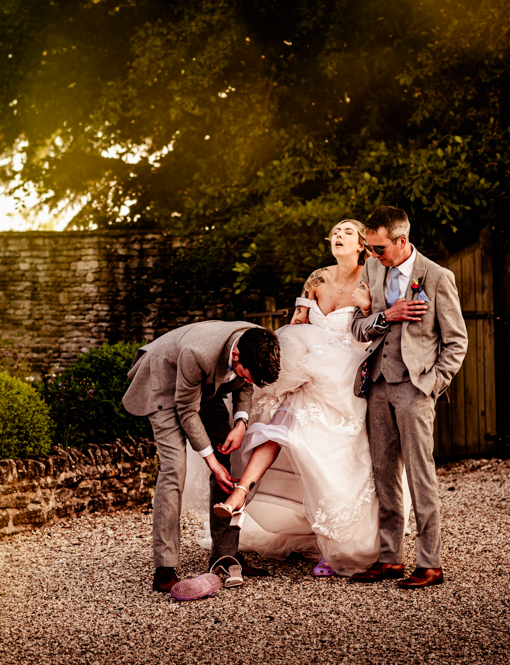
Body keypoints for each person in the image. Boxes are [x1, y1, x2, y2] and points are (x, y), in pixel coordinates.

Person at [196, 219, 409, 577]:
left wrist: (370, 306)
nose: (338, 237)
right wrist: (296, 340)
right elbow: (298, 326)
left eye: (346, 233)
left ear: (361, 244)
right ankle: (239, 494)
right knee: (277, 424)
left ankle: (336, 545)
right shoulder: (316, 278)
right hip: (308, 373)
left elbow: (378, 328)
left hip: (348, 378)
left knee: (332, 457)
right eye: (335, 232)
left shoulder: (374, 276)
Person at [349, 205, 468, 589]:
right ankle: (389, 560)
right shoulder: (371, 270)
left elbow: (456, 342)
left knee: (420, 476)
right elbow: (357, 326)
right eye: (369, 248)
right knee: (383, 474)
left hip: (415, 389)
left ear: (402, 241)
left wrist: (431, 384)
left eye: (379, 248)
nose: (372, 255)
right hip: (378, 385)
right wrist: (388, 316)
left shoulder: (436, 277)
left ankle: (429, 564)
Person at [122, 321, 281, 593]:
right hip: (164, 386)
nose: (249, 379)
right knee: (174, 468)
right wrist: (211, 462)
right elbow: (186, 411)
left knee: (228, 456)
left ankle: (224, 555)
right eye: (247, 372)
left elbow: (245, 384)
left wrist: (241, 423)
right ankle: (164, 567)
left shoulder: (256, 342)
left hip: (203, 387)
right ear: (235, 355)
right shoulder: (197, 353)